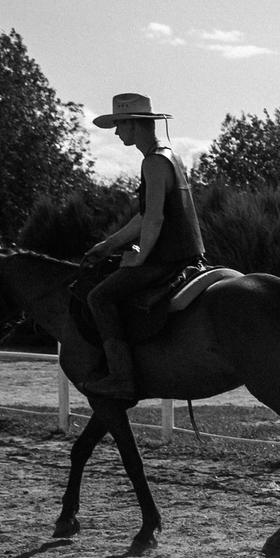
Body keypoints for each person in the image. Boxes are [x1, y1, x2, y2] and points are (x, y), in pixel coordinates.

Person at [82, 92, 205, 402]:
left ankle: (121, 380)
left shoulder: (152, 162)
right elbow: (145, 215)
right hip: (187, 254)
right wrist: (109, 244)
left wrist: (140, 259)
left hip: (167, 259)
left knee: (99, 297)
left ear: (134, 125)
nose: (116, 132)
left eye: (119, 124)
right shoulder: (169, 156)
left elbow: (154, 219)